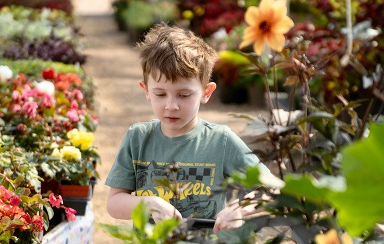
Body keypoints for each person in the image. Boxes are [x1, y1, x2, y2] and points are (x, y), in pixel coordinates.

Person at [105, 23, 268, 232]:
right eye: (160, 94)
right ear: (146, 90)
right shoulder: (137, 138)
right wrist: (149, 203)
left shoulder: (221, 141)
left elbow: (267, 188)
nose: (171, 105)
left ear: (206, 92)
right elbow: (114, 203)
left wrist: (238, 208)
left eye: (184, 95)